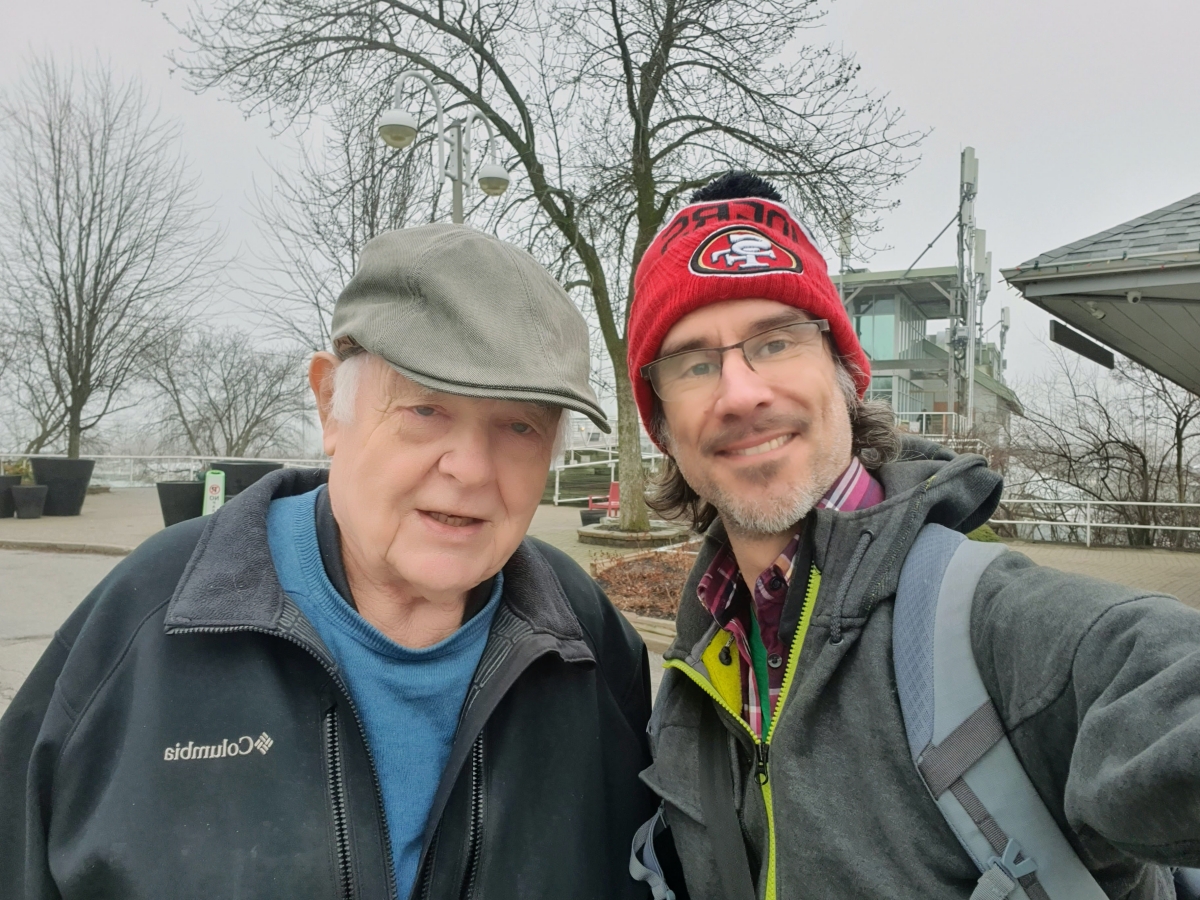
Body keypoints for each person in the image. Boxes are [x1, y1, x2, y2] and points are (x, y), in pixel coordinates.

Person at [0, 225, 657, 899]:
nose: (469, 468)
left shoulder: (588, 644)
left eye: (519, 426)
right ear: (329, 405)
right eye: (426, 409)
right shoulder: (151, 620)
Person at [626, 172, 1200, 899]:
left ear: (846, 373)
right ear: (662, 426)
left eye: (775, 343)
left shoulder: (993, 626)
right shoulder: (698, 666)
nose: (740, 393)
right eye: (696, 364)